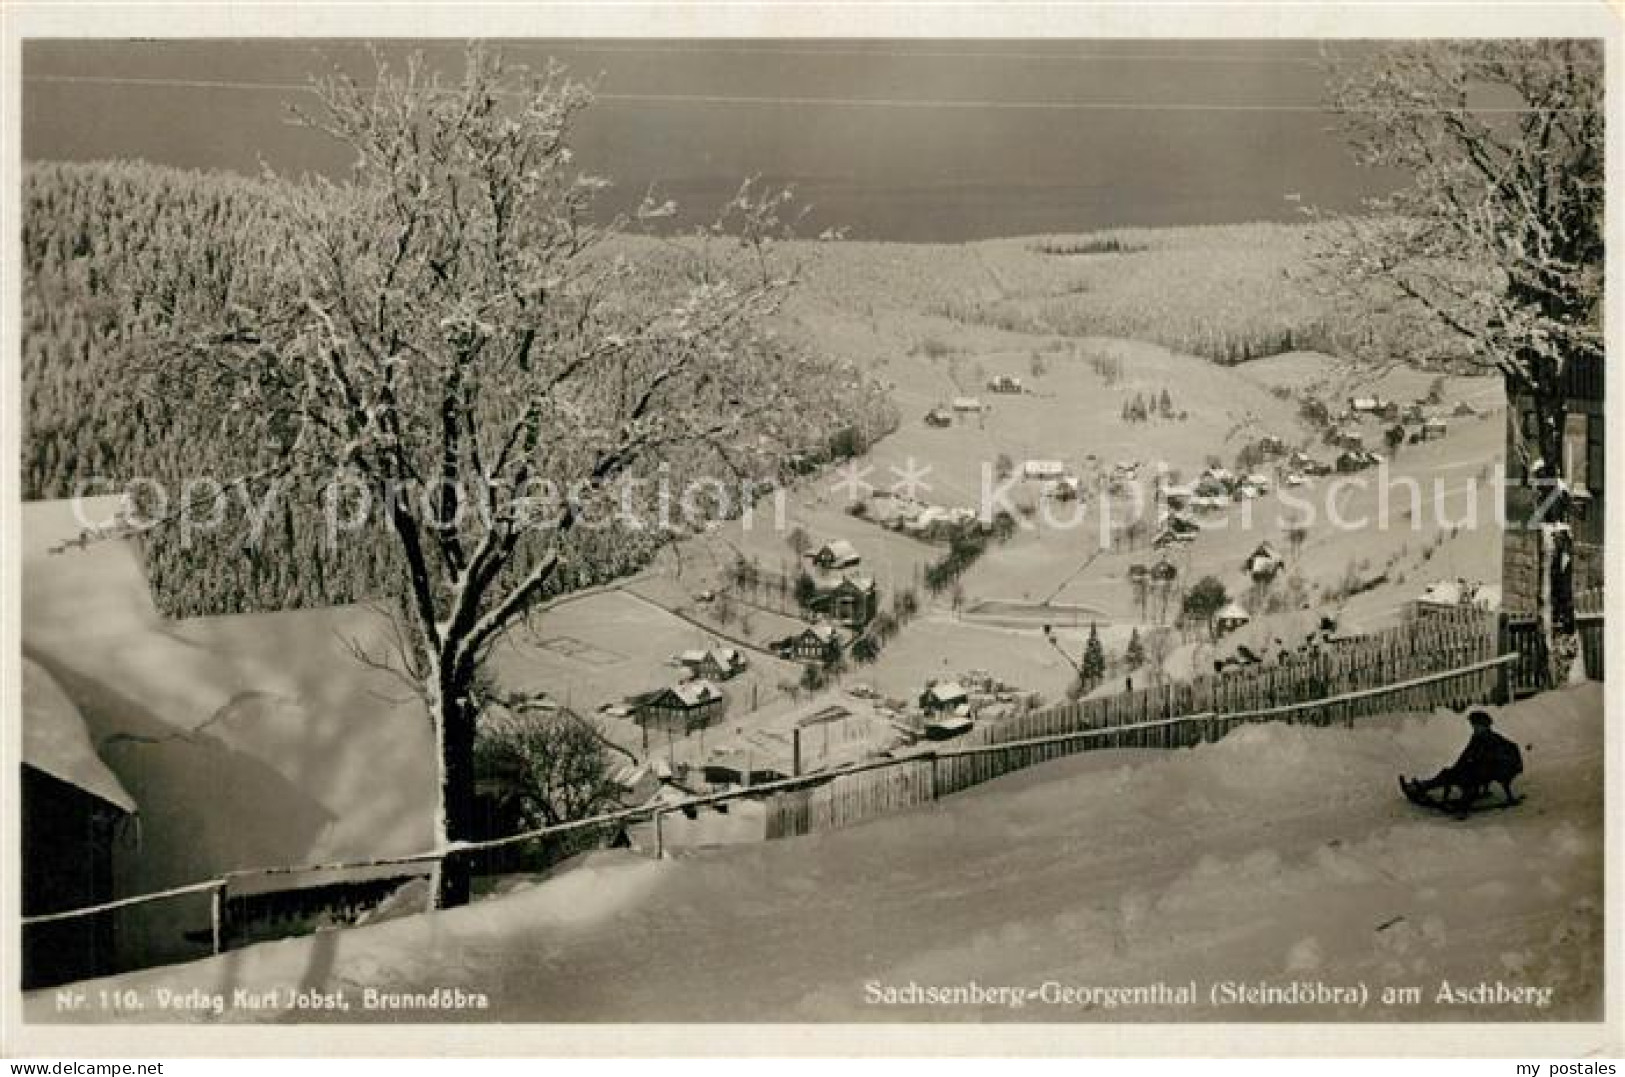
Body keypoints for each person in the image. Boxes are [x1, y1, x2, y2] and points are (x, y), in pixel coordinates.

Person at [1405, 710, 1523, 809]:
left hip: (1489, 771)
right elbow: (1466, 755)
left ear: (1485, 726)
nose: (1474, 728)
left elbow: (1493, 760)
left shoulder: (1491, 739)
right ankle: (1423, 786)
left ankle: (1462, 802)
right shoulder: (1477, 738)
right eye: (1474, 725)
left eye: (1477, 726)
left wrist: (1470, 770)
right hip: (1477, 770)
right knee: (1448, 773)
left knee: (1460, 778)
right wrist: (1458, 767)